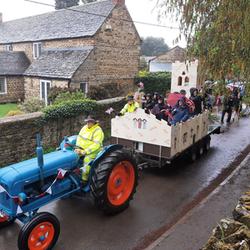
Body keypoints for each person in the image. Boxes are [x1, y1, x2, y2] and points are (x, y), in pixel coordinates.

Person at [75, 115, 104, 184]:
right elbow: (79, 138)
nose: (88, 123)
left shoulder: (98, 130)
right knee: (74, 157)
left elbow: (96, 145)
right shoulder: (84, 128)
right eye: (87, 121)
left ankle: (84, 179)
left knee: (86, 160)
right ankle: (74, 174)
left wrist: (85, 152)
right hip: (82, 149)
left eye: (90, 121)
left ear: (94, 122)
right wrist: (77, 148)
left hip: (94, 151)